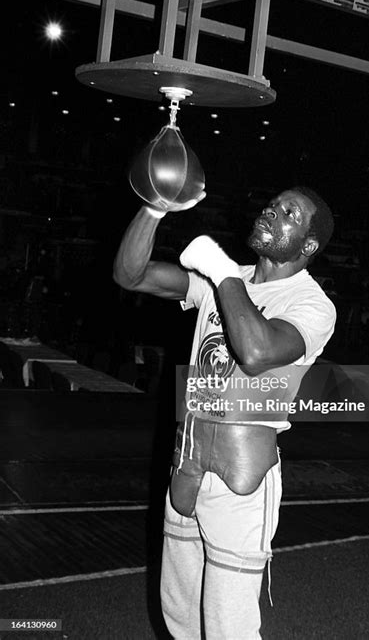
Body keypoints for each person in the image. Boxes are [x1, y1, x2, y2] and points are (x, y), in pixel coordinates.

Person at [113, 185, 336, 639]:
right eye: (272, 204)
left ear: (308, 245)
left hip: (241, 480)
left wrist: (221, 272)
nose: (271, 211)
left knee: (227, 627)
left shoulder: (312, 304)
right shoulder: (225, 279)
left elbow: (256, 351)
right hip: (187, 462)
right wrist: (154, 209)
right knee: (180, 618)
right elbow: (130, 275)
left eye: (289, 213)